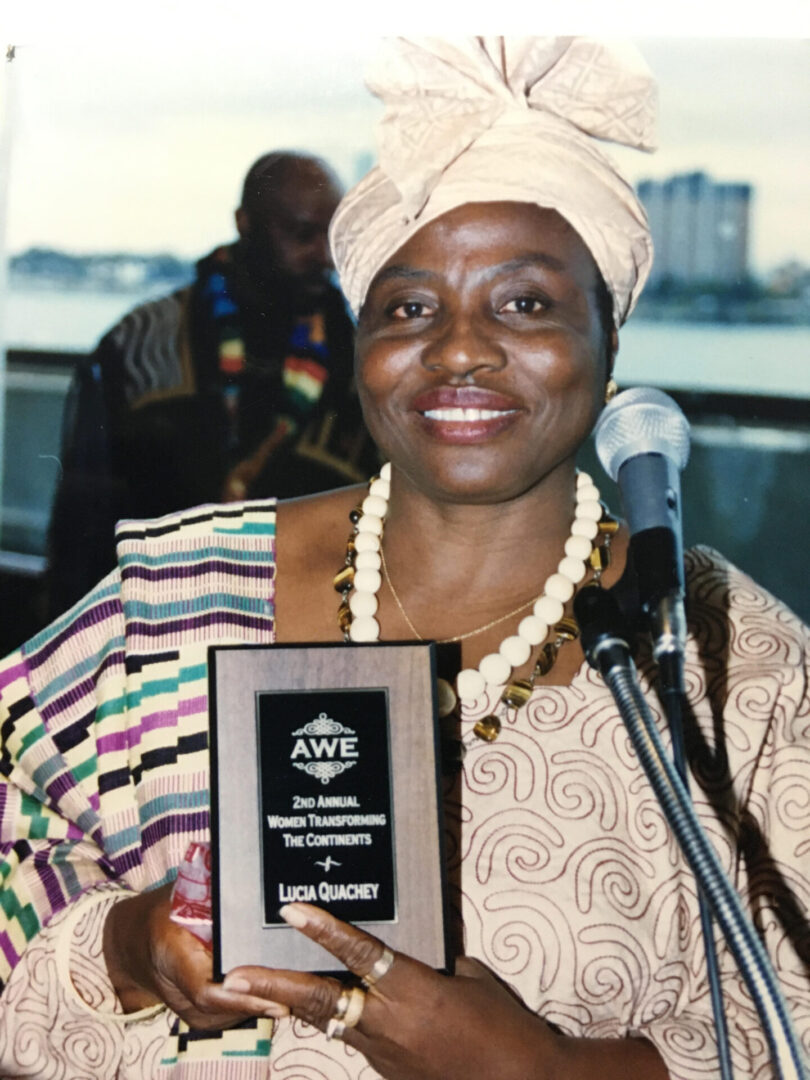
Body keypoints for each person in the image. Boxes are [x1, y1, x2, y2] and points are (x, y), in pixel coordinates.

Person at [1, 36, 808, 1080]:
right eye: (408, 307)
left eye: (525, 303)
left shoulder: (731, 665)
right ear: (361, 348)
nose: (460, 346)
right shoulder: (174, 598)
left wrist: (549, 1074)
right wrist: (125, 948)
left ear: (611, 341)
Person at [46, 150, 379, 618]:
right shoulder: (140, 349)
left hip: (304, 625)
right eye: (304, 234)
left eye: (336, 236)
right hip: (151, 620)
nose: (326, 256)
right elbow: (80, 530)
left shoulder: (366, 361)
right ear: (245, 223)